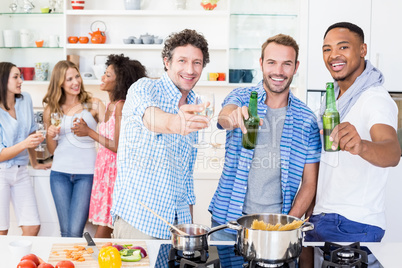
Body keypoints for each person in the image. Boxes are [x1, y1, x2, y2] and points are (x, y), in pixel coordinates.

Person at [208, 34, 321, 241]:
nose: (278, 71)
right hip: (229, 222)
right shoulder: (241, 97)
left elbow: (309, 182)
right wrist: (232, 117)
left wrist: (288, 226)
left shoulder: (307, 120)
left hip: (278, 226)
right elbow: (225, 115)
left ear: (296, 67)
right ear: (261, 64)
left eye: (286, 64)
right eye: (271, 63)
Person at [304, 22, 401, 242]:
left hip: (353, 222)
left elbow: (392, 152)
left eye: (343, 47)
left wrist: (362, 145)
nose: (333, 55)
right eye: (327, 49)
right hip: (324, 217)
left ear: (363, 50)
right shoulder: (333, 100)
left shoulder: (374, 99)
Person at [111, 29, 210, 239]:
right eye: (182, 60)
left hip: (177, 224)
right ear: (167, 62)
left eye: (197, 63)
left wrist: (188, 226)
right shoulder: (144, 88)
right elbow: (151, 118)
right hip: (139, 221)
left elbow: (185, 175)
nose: (190, 69)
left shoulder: (193, 104)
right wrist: (175, 122)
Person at [71, 54, 147, 238]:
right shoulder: (110, 105)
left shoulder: (121, 106)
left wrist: (89, 132)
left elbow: (118, 146)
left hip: (115, 174)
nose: (102, 78)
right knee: (106, 231)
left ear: (119, 81)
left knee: (104, 232)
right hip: (104, 173)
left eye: (107, 75)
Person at [42, 60, 105, 237]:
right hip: (59, 174)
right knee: (65, 231)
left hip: (86, 174)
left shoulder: (93, 104)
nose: (75, 82)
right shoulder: (51, 110)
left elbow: (111, 136)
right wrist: (50, 133)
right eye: (69, 79)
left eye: (77, 76)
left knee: (76, 230)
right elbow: (53, 150)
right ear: (59, 83)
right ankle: (67, 264)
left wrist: (89, 131)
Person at [0, 62, 51, 236]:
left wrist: (35, 162)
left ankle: (20, 262)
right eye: (15, 77)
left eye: (20, 76)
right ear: (2, 80)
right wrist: (25, 143)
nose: (20, 80)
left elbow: (30, 130)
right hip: (1, 172)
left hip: (21, 170)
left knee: (32, 226)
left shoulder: (25, 99)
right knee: (1, 231)